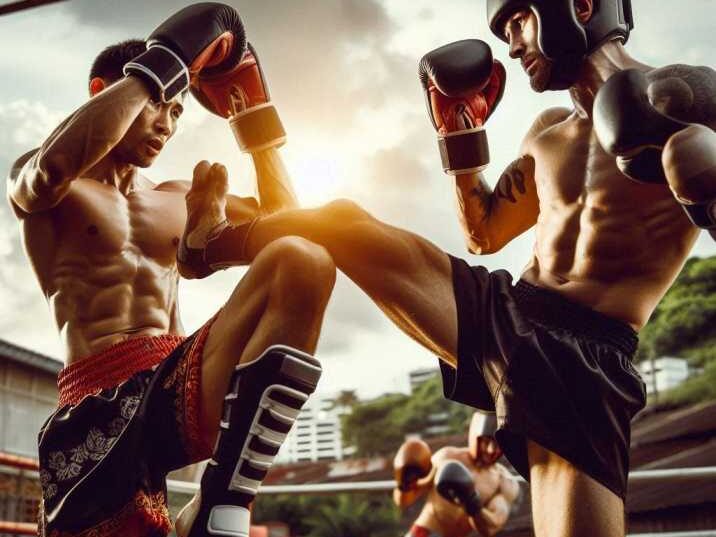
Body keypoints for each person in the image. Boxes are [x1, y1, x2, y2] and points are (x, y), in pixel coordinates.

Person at [177, 0, 716, 535]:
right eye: (504, 29)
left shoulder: (684, 100)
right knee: (342, 221)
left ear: (578, 7)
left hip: (584, 356)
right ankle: (212, 244)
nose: (511, 45)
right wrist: (459, 136)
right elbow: (484, 234)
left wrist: (699, 172)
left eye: (519, 20)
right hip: (504, 310)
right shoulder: (548, 131)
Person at [6, 4, 336, 537]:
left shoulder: (179, 196)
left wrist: (253, 119)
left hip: (177, 380)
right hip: (95, 404)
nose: (167, 123)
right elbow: (51, 169)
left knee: (302, 259)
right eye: (157, 102)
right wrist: (167, 60)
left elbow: (293, 226)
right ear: (102, 91)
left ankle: (219, 500)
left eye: (179, 111)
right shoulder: (49, 179)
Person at [393, 412, 519, 537]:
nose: (492, 450)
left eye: (499, 445)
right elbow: (403, 502)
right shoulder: (446, 456)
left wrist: (471, 502)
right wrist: (404, 483)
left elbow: (490, 529)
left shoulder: (504, 482)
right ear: (475, 437)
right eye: (486, 441)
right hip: (424, 532)